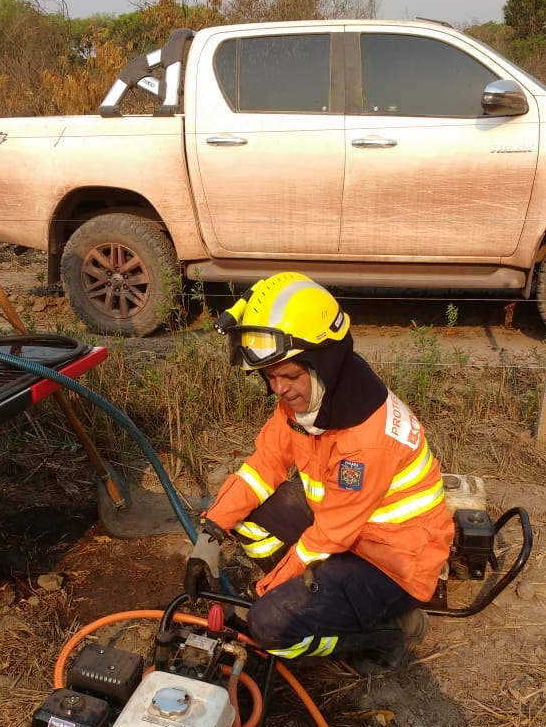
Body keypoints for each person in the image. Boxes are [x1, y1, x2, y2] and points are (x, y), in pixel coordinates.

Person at [184, 272, 454, 674]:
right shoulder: (311, 401)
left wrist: (265, 594)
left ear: (324, 362)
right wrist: (210, 533)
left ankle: (387, 631)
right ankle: (313, 597)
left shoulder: (365, 440)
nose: (278, 389)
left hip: (393, 562)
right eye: (270, 376)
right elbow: (263, 466)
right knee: (245, 516)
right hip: (345, 534)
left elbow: (328, 536)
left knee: (268, 627)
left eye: (289, 376)